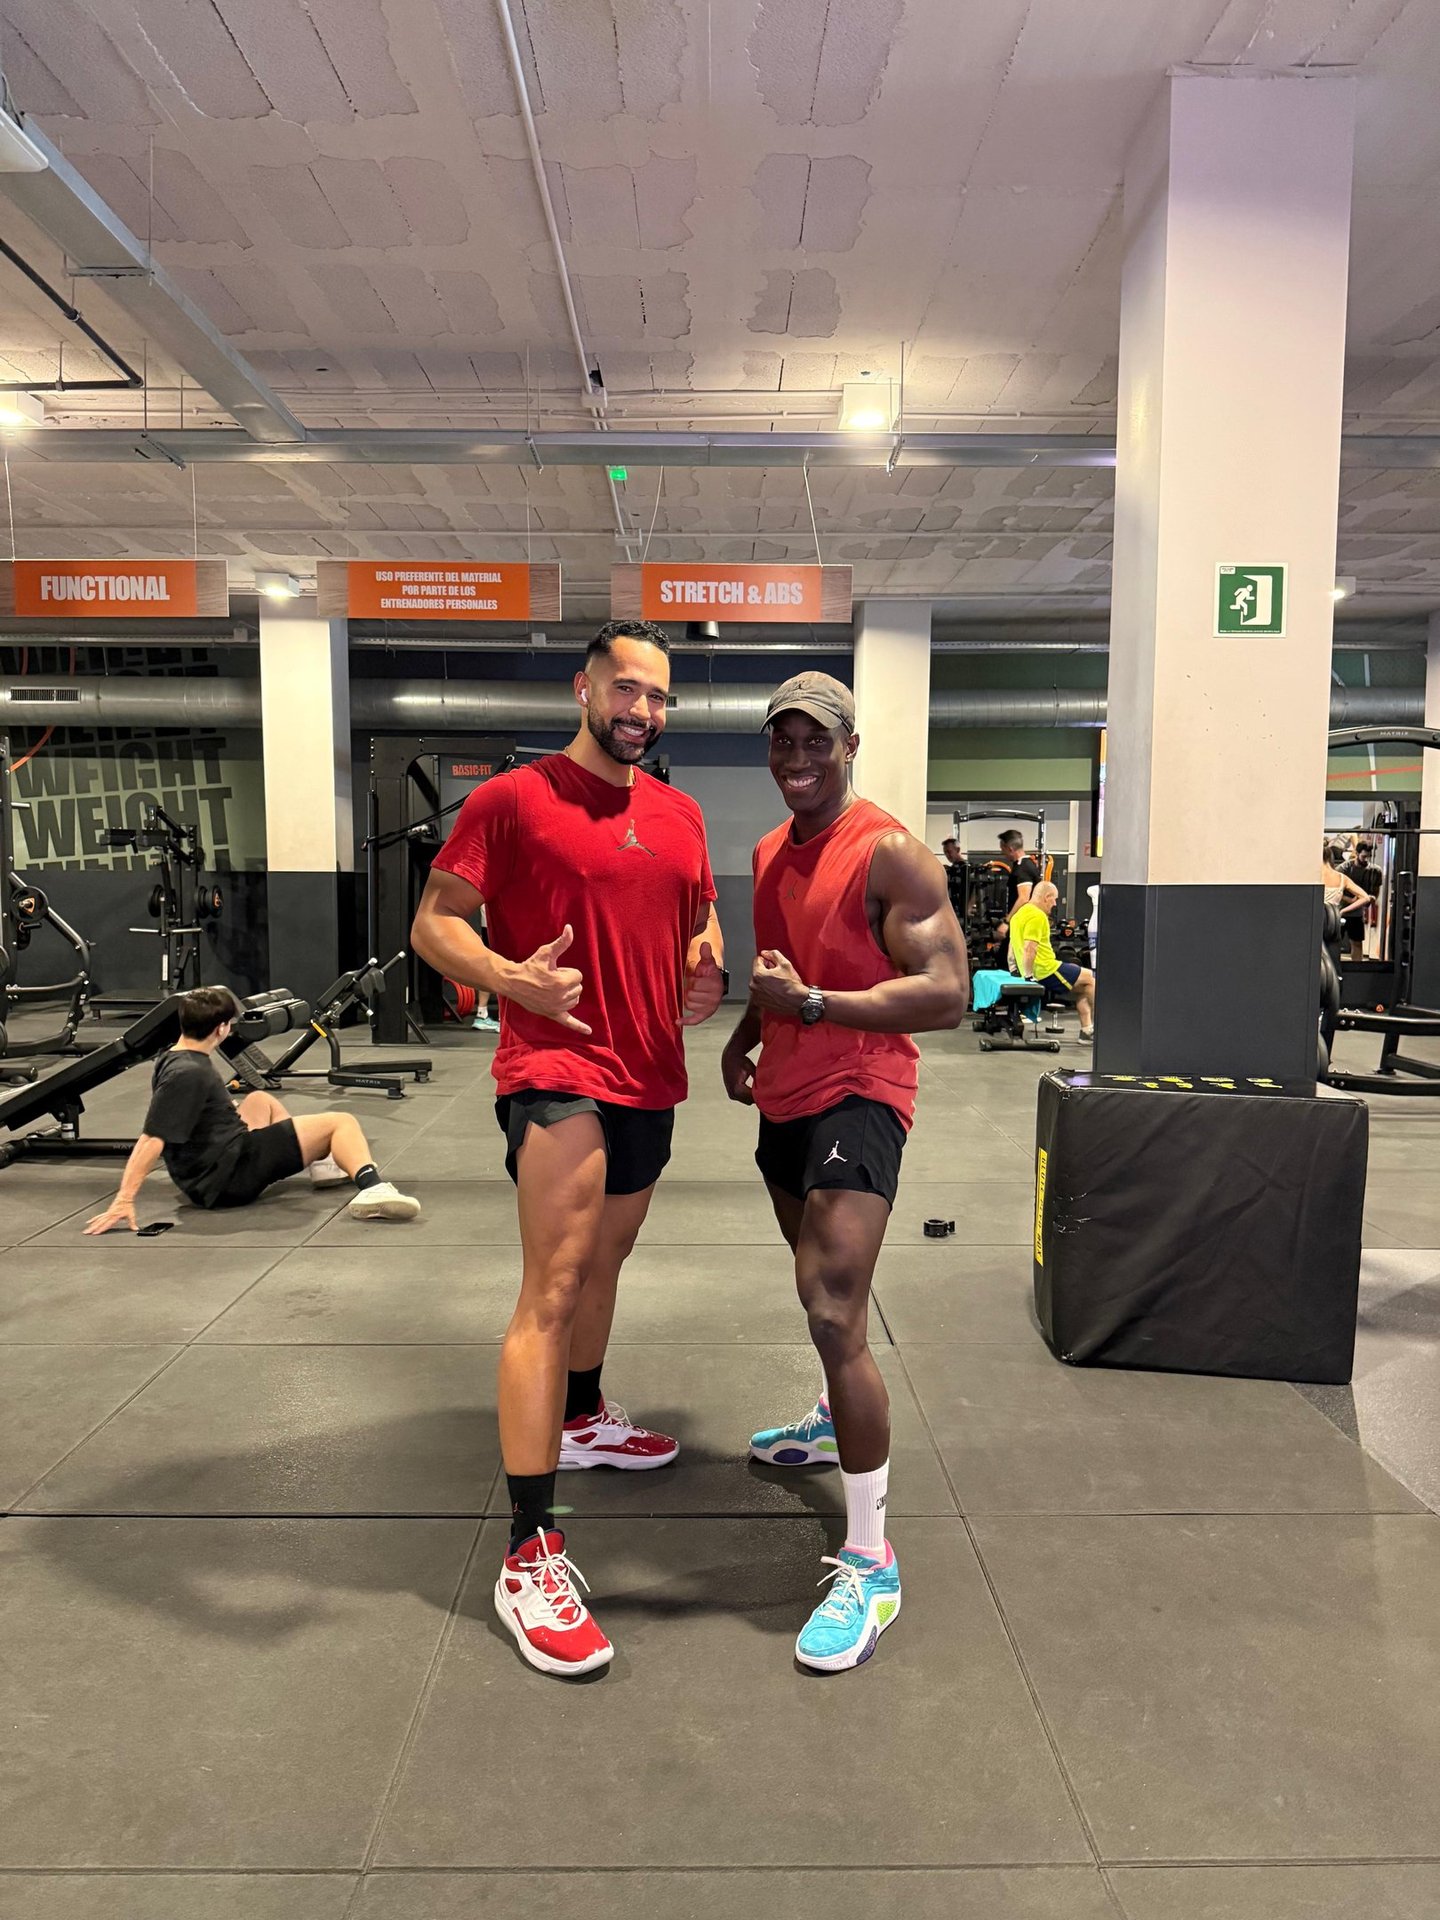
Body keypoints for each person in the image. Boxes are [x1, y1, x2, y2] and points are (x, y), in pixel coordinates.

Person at [410, 617, 724, 1680]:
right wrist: (510, 979)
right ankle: (528, 1551)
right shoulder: (512, 802)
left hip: (651, 1073)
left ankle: (583, 1415)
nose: (644, 710)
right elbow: (434, 924)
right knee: (552, 1282)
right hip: (555, 1068)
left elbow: (697, 923)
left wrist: (708, 963)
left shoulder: (681, 814)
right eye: (627, 689)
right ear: (584, 689)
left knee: (604, 1262)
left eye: (660, 698)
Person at [721, 671, 968, 1673]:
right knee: (822, 1290)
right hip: (786, 1090)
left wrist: (817, 1006)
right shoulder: (770, 849)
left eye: (815, 741)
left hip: (862, 1089)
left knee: (830, 1307)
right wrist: (748, 1032)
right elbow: (778, 965)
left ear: (849, 745)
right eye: (783, 742)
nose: (797, 759)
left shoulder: (891, 853)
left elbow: (946, 993)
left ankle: (871, 1559)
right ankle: (833, 1417)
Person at [83, 985, 420, 1234]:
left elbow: (190, 1115)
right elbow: (151, 1141)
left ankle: (319, 1163)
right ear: (221, 1029)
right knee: (341, 1122)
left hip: (211, 1165)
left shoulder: (173, 1056)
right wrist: (124, 1199)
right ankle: (372, 1188)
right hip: (227, 1178)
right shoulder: (190, 1073)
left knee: (260, 1099)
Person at [1010, 880, 1095, 1041]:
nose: (1055, 903)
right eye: (1054, 899)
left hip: (1039, 968)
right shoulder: (1038, 915)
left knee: (1084, 987)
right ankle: (1101, 1027)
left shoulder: (1019, 914)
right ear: (1046, 897)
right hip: (1045, 969)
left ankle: (1087, 1030)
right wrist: (1028, 976)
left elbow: (1012, 947)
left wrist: (1015, 969)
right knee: (1092, 979)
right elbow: (1029, 948)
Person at [994, 828, 1040, 945]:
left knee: (1006, 959)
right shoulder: (1024, 865)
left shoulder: (1022, 868)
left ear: (1010, 849)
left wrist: (1006, 922)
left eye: (1002, 849)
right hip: (1021, 923)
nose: (1002, 853)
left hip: (1023, 925)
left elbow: (1024, 898)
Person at [1341, 841, 1380, 960]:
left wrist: (1372, 898)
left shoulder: (1375, 871)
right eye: (1363, 856)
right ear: (1356, 853)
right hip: (1340, 909)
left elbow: (1375, 891)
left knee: (1357, 943)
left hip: (1357, 913)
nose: (1365, 860)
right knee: (1334, 942)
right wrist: (1348, 899)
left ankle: (1356, 967)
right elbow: (1334, 888)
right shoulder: (1344, 868)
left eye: (1368, 856)